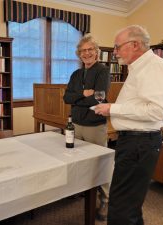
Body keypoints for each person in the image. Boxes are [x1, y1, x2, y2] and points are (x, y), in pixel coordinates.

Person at [95, 25, 163, 225]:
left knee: (122, 207)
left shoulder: (154, 66)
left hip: (139, 144)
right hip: (134, 143)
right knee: (128, 205)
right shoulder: (138, 67)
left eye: (118, 46)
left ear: (135, 44)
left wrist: (113, 109)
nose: (116, 51)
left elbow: (157, 111)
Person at [63, 34, 111, 221]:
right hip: (76, 125)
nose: (87, 53)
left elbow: (99, 97)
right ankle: (83, 191)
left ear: (96, 52)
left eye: (90, 49)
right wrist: (83, 93)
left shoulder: (103, 71)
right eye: (83, 50)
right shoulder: (76, 74)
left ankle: (106, 200)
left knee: (101, 163)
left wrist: (78, 98)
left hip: (94, 125)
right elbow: (66, 98)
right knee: (79, 162)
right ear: (79, 54)